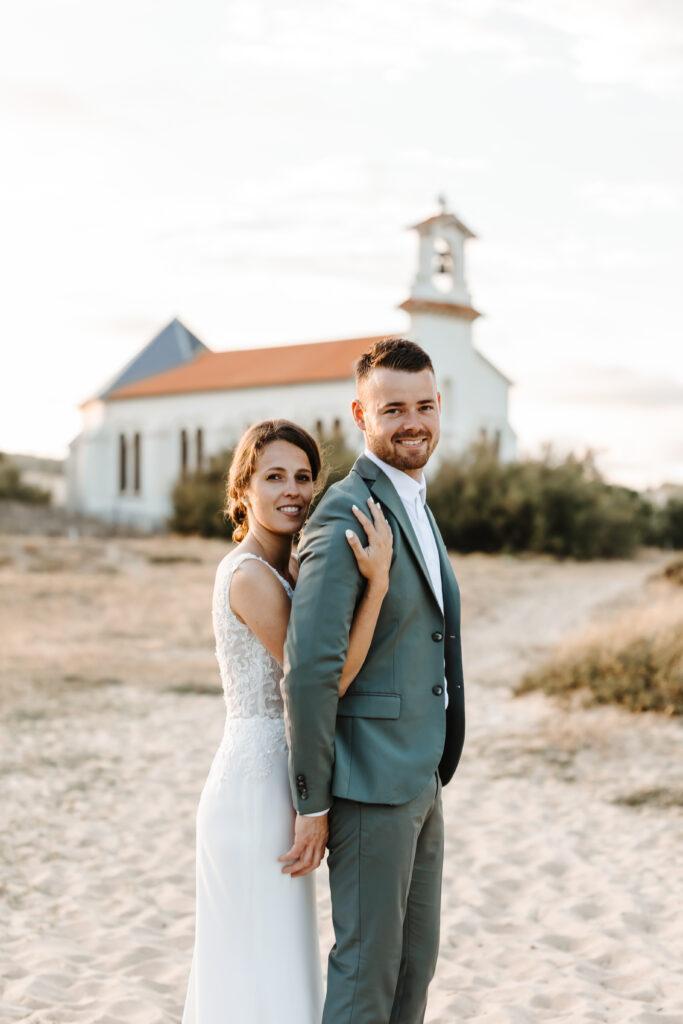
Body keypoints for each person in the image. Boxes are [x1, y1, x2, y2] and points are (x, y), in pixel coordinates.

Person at [181, 418, 393, 1024]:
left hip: (277, 779)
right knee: (255, 963)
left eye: (304, 476)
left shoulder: (284, 568)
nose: (293, 490)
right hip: (255, 790)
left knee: (271, 957)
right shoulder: (249, 576)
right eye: (274, 476)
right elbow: (325, 681)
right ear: (243, 486)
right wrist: (376, 587)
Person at [281, 337, 466, 1023]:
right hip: (365, 780)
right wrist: (312, 799)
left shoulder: (414, 499)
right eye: (393, 409)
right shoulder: (343, 511)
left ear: (438, 406)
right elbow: (308, 671)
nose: (411, 421)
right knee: (366, 974)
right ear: (361, 413)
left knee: (414, 968)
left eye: (423, 405)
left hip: (421, 772)